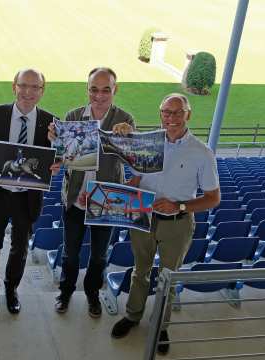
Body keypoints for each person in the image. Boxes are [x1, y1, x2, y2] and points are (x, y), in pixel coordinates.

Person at [110, 93, 220, 355]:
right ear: (160, 114)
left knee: (168, 278)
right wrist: (111, 194)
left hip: (177, 224)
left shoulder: (202, 152)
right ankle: (133, 316)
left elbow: (213, 198)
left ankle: (161, 326)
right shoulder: (149, 143)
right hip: (143, 217)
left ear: (188, 114)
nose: (171, 118)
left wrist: (179, 206)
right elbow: (136, 181)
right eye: (166, 112)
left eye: (177, 112)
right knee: (140, 271)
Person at [48, 67, 135, 318]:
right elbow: (65, 156)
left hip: (105, 200)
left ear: (114, 90)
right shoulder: (73, 115)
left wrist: (129, 137)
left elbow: (132, 159)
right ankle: (65, 292)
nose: (99, 95)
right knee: (70, 253)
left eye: (106, 89)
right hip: (75, 198)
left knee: (98, 256)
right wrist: (56, 143)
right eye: (94, 89)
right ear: (87, 90)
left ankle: (92, 294)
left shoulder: (125, 120)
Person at [0, 68, 59, 315]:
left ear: (42, 91)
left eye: (35, 87)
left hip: (28, 197)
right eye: (24, 85)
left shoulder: (50, 121)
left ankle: (11, 290)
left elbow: (56, 157)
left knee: (20, 248)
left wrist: (56, 164)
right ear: (14, 86)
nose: (28, 92)